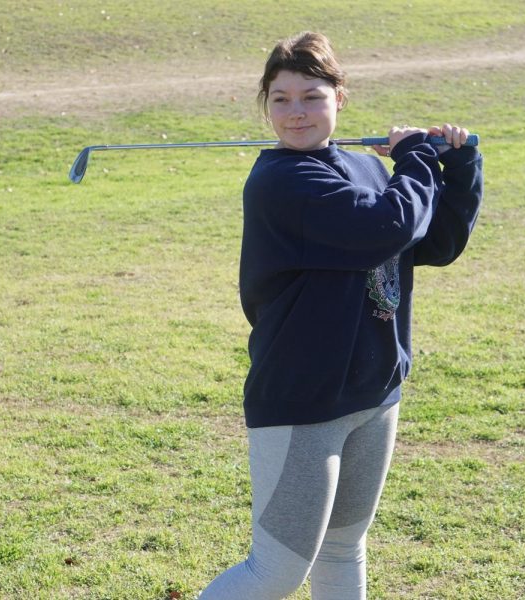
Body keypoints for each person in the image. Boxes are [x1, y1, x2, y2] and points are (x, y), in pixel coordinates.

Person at [197, 32, 483, 599]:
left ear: (339, 99)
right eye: (280, 99)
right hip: (303, 399)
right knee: (276, 572)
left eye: (311, 95)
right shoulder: (283, 181)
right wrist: (416, 158)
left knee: (344, 549)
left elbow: (435, 241)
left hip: (372, 394)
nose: (296, 112)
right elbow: (385, 228)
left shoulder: (368, 170)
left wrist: (460, 165)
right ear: (265, 106)